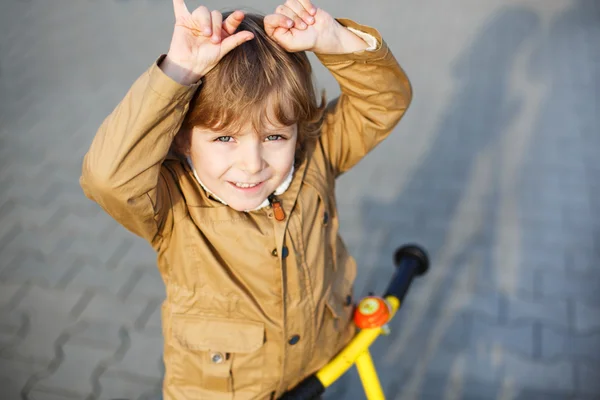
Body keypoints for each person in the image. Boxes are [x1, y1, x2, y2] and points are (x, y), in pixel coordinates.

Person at [80, 0, 411, 398]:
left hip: (319, 370)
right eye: (224, 138)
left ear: (297, 131)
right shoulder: (172, 202)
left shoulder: (316, 156)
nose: (252, 165)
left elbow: (385, 103)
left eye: (274, 136)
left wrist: (335, 41)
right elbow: (107, 178)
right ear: (184, 137)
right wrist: (177, 74)